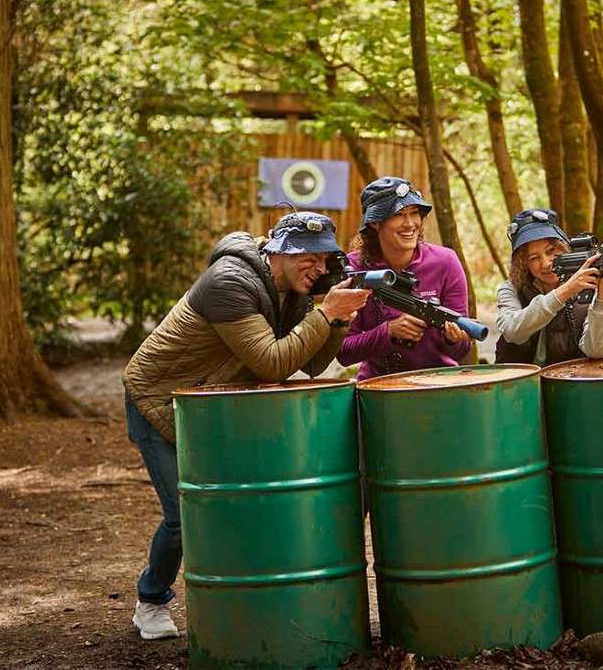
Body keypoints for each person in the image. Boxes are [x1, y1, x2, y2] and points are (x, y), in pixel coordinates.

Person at [120, 212, 370, 640]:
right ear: (278, 251)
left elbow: (309, 364)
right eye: (308, 258)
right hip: (156, 399)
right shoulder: (230, 283)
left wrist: (337, 318)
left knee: (233, 504)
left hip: (210, 406)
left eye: (325, 260)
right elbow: (271, 361)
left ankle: (243, 600)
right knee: (184, 516)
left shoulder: (290, 289)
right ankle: (151, 601)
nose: (319, 268)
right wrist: (325, 314)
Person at [337, 177, 472, 379]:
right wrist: (388, 331)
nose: (410, 224)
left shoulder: (446, 261)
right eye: (398, 215)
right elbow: (344, 352)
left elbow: (460, 352)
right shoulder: (354, 268)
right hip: (377, 386)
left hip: (441, 383)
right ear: (375, 222)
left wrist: (455, 340)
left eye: (414, 213)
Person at [494, 208, 603, 365]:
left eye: (551, 251)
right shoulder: (510, 289)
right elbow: (512, 331)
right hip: (520, 385)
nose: (546, 263)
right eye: (534, 258)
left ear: (563, 248)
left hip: (570, 384)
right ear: (523, 264)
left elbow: (597, 350)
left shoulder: (588, 282)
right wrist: (567, 290)